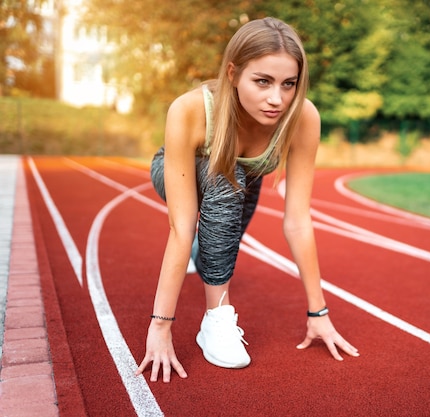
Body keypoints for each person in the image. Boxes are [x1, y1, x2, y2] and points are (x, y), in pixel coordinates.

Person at [135, 17, 359, 383]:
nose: (277, 99)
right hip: (179, 172)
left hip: (243, 178)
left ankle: (203, 255)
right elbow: (181, 225)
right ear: (233, 72)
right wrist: (160, 327)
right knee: (225, 185)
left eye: (289, 84)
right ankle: (216, 320)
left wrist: (318, 313)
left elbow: (298, 220)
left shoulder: (303, 117)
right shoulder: (190, 110)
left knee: (223, 235)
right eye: (262, 82)